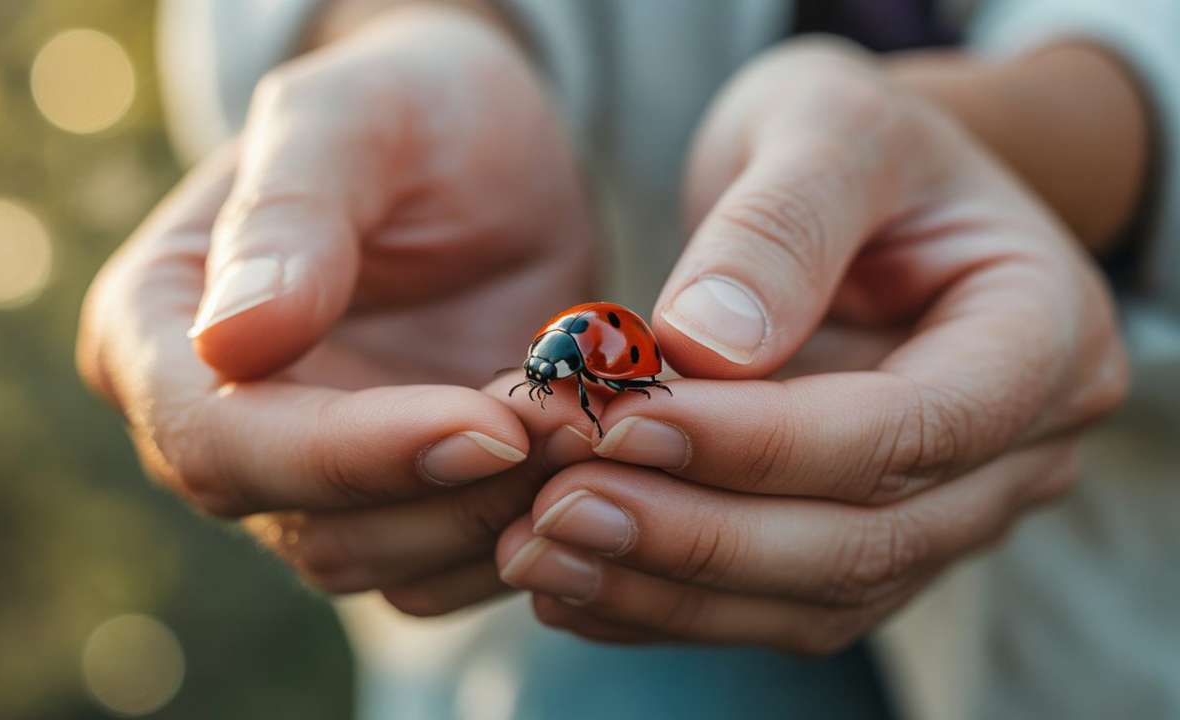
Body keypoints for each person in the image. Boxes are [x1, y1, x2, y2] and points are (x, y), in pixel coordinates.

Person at [77, 1, 1180, 718]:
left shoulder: (596, 354)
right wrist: (404, 31)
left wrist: (1054, 139)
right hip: (572, 598)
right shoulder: (576, 357)